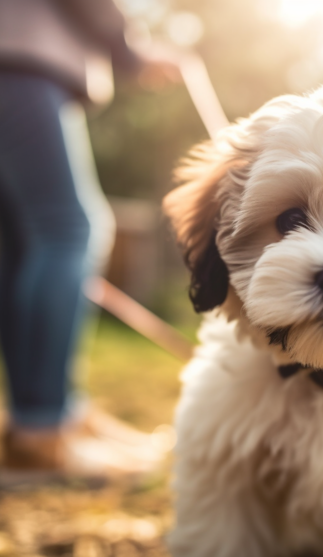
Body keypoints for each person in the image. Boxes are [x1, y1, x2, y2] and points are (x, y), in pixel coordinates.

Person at [0, 0, 178, 481]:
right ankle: (42, 429)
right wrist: (132, 52)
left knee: (20, 243)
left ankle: (43, 421)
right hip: (21, 57)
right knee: (68, 228)